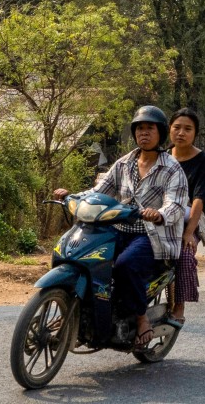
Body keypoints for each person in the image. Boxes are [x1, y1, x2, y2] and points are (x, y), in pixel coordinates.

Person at [53, 106, 188, 349]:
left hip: (151, 234)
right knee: (86, 257)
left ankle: (141, 318)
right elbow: (98, 191)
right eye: (139, 128)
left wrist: (158, 214)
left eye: (150, 128)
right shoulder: (124, 163)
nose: (144, 133)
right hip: (118, 229)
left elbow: (175, 205)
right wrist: (72, 196)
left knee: (126, 265)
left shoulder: (172, 168)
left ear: (160, 134)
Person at [168, 108, 205, 327]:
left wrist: (189, 233)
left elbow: (199, 199)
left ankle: (179, 305)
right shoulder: (162, 156)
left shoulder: (203, 161)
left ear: (195, 133)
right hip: (162, 215)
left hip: (190, 218)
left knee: (184, 254)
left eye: (187, 129)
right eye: (177, 127)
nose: (181, 133)